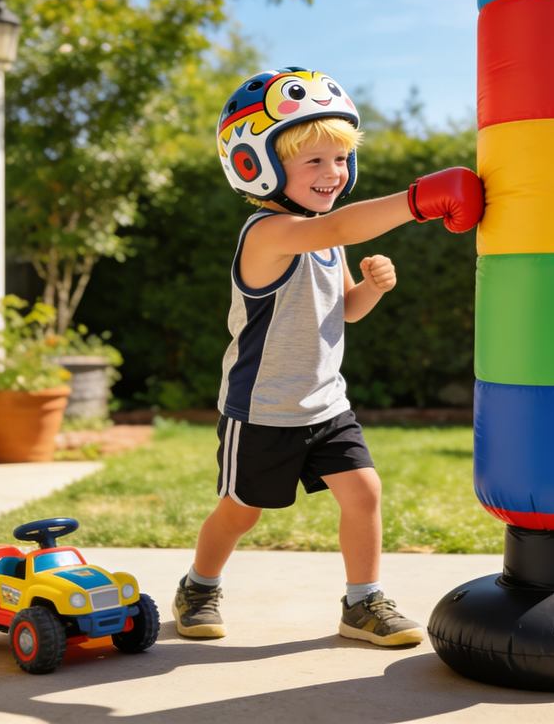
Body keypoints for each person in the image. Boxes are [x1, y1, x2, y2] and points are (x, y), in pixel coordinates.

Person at [173, 67, 483, 646]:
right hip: (262, 409)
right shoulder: (267, 233)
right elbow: (341, 224)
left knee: (364, 490)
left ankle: (363, 603)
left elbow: (346, 311)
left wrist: (373, 289)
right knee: (241, 512)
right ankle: (198, 586)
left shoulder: (326, 239)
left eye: (340, 159)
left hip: (325, 404)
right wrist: (418, 201)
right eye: (314, 161)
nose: (333, 173)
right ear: (258, 166)